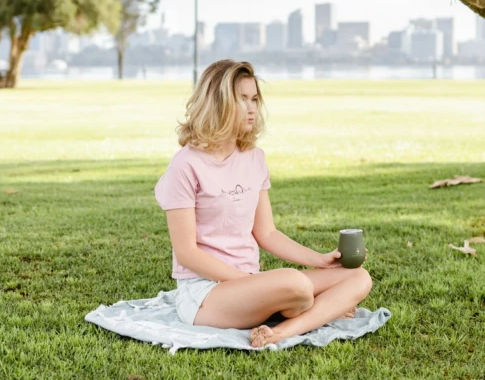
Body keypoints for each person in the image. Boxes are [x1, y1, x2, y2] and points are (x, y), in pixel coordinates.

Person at [154, 59, 374, 348]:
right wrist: (246, 281)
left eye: (255, 98)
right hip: (206, 294)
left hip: (253, 284)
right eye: (242, 99)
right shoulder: (185, 166)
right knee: (296, 286)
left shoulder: (254, 158)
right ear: (218, 102)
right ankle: (311, 307)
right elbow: (187, 254)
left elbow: (266, 232)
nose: (252, 107)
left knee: (358, 277)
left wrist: (318, 260)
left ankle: (283, 331)